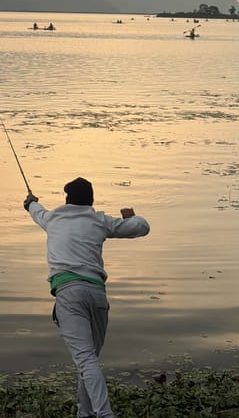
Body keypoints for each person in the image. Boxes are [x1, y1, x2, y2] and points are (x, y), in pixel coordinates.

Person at [24, 177, 150, 418]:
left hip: (69, 295)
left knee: (85, 360)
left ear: (67, 199)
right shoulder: (100, 220)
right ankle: (85, 413)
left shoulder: (52, 219)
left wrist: (30, 202)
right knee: (89, 360)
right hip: (97, 296)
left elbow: (35, 210)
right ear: (90, 200)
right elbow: (142, 227)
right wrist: (131, 217)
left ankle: (104, 414)